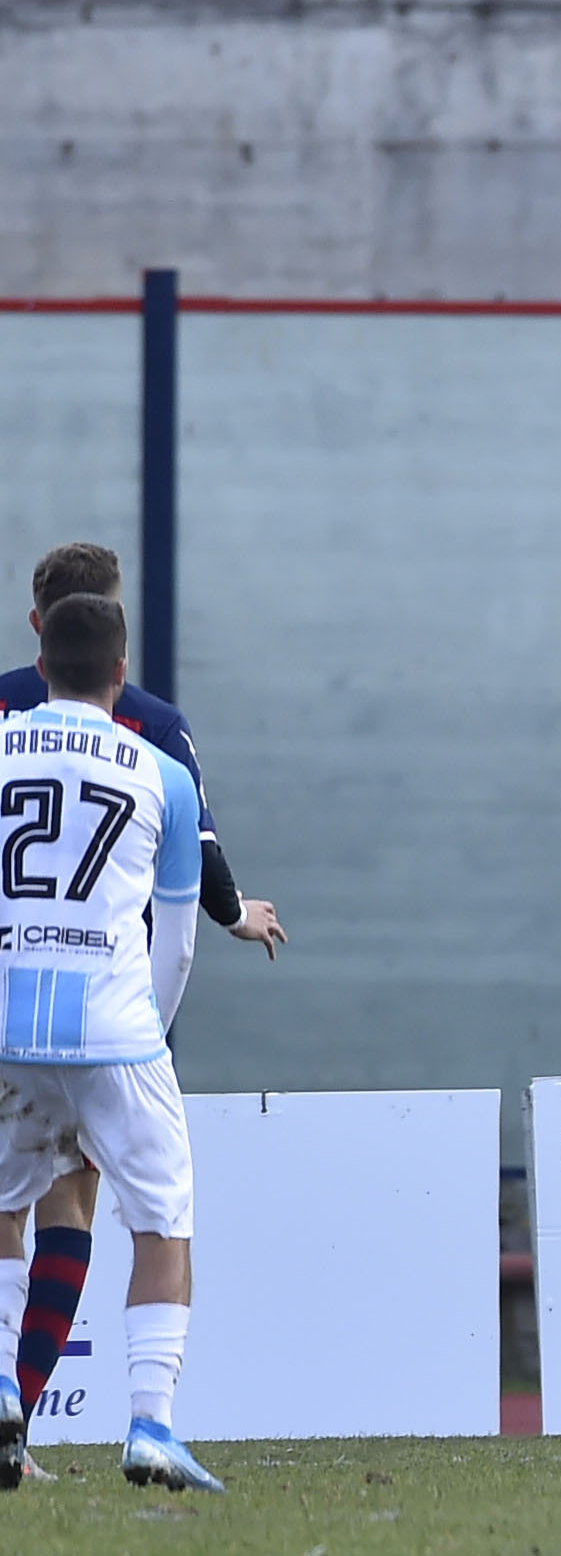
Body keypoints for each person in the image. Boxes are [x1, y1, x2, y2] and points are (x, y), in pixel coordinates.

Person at [0, 545, 282, 1482]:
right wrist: (149, 1033)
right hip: (115, 1028)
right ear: (121, 669)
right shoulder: (155, 756)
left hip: (5, 1023)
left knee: (3, 1207)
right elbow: (182, 927)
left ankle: (3, 1386)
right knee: (161, 1222)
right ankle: (150, 1425)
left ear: (39, 654)